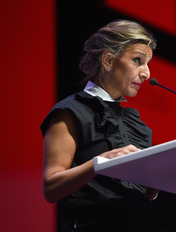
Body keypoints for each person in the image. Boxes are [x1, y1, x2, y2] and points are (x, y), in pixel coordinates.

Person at [40, 20, 160, 232]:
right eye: (137, 60)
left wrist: (161, 178)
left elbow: (142, 194)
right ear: (108, 60)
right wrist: (101, 162)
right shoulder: (71, 111)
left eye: (147, 63)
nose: (146, 73)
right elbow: (51, 188)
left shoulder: (136, 124)